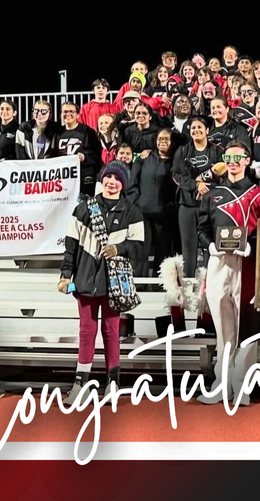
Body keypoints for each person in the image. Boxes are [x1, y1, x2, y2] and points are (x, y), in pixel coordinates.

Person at [59, 161, 144, 404]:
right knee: (86, 331)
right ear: (102, 179)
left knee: (111, 331)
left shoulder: (132, 212)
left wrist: (118, 248)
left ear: (123, 184)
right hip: (85, 280)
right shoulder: (84, 208)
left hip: (114, 283)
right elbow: (71, 245)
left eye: (117, 179)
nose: (111, 182)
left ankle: (113, 383)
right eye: (108, 177)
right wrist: (66, 274)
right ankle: (80, 384)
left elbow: (139, 247)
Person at [197, 142, 260, 405]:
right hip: (218, 262)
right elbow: (202, 226)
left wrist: (251, 247)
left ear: (247, 160)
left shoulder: (259, 196)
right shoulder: (213, 194)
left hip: (248, 264)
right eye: (228, 157)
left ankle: (242, 386)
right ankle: (221, 384)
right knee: (222, 328)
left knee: (248, 326)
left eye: (237, 157)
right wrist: (209, 244)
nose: (232, 161)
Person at [172, 118, 225, 277]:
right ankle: (188, 288)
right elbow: (176, 175)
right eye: (193, 128)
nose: (196, 130)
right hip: (187, 205)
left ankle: (210, 286)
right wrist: (196, 185)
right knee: (188, 249)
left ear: (207, 131)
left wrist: (206, 189)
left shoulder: (218, 151)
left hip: (210, 206)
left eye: (200, 127)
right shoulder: (182, 152)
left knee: (210, 247)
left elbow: (223, 178)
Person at [130, 129, 178, 277]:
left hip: (165, 215)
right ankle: (140, 285)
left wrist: (170, 207)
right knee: (141, 251)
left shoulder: (176, 163)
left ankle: (159, 285)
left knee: (162, 251)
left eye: (166, 139)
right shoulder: (144, 159)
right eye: (159, 138)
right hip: (142, 213)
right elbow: (132, 184)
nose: (162, 142)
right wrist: (136, 203)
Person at [57, 101, 103, 198]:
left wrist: (85, 157)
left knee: (88, 207)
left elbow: (96, 155)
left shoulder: (88, 131)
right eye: (65, 112)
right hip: (64, 180)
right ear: (61, 114)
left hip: (84, 179)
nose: (68, 114)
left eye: (71, 111)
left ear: (78, 115)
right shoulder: (57, 132)